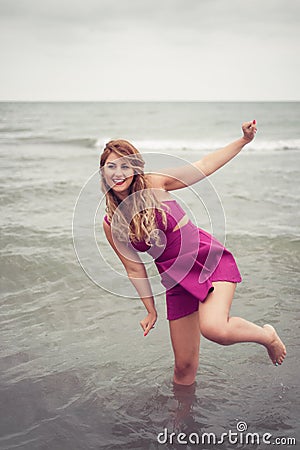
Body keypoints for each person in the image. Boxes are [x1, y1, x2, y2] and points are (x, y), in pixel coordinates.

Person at [100, 121, 286, 386]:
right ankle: (182, 423)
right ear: (103, 172)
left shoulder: (154, 184)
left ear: (135, 169)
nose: (118, 173)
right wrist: (150, 310)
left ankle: (267, 336)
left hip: (206, 259)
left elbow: (204, 166)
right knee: (183, 368)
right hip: (175, 280)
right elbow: (134, 268)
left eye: (125, 165)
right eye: (111, 166)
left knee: (215, 329)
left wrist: (243, 141)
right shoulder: (111, 222)